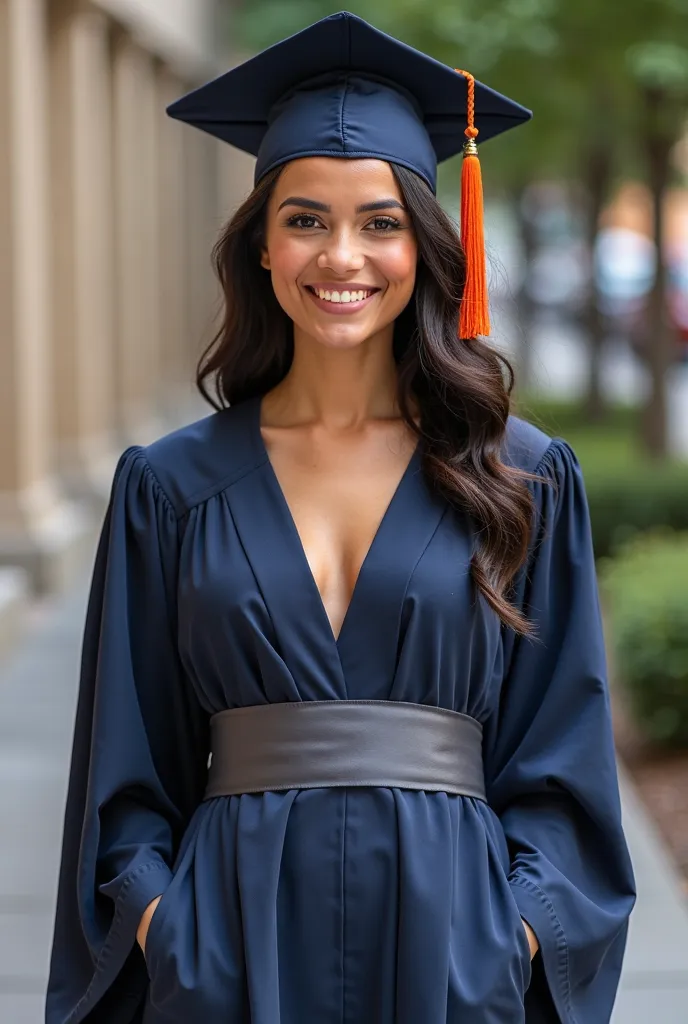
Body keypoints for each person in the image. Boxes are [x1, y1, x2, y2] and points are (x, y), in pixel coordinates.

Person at [45, 11, 635, 1024]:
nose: (342, 257)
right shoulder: (171, 487)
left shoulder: (521, 478)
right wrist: (166, 925)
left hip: (454, 956)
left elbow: (563, 758)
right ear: (262, 246)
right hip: (225, 956)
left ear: (425, 245)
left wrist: (508, 931)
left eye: (380, 222)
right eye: (306, 218)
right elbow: (122, 766)